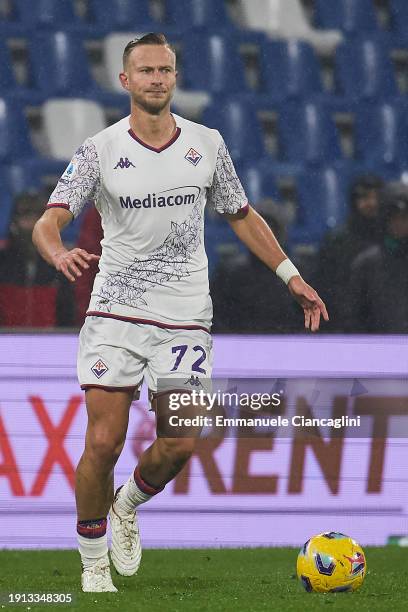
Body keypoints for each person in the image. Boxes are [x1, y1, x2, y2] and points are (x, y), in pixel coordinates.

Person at [32, 33, 328, 593]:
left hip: (186, 315)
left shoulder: (207, 144)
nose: (156, 79)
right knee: (103, 442)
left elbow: (242, 215)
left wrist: (292, 277)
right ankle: (93, 562)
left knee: (181, 442)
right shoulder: (99, 150)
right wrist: (59, 252)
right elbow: (47, 223)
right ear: (125, 80)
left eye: (165, 70)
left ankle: (127, 505)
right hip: (116, 312)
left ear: (175, 76)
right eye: (145, 70)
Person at [211, 205, 301, 332]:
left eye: (270, 230)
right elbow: (217, 316)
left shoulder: (299, 276)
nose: (263, 237)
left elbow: (305, 320)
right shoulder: (229, 274)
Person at [315, 175, 383, 331]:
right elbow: (326, 286)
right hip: (344, 325)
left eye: (376, 197)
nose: (371, 203)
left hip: (386, 325)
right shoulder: (336, 241)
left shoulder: (392, 239)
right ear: (354, 201)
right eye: (365, 197)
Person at [0, 190, 74, 327]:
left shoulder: (59, 265)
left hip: (49, 342)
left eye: (37, 217)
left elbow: (67, 315)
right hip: (7, 341)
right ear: (14, 222)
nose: (32, 224)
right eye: (26, 217)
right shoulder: (2, 263)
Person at [345, 181, 408, 332]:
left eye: (405, 217)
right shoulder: (367, 264)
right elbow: (354, 317)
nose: (399, 223)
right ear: (385, 219)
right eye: (394, 217)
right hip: (378, 348)